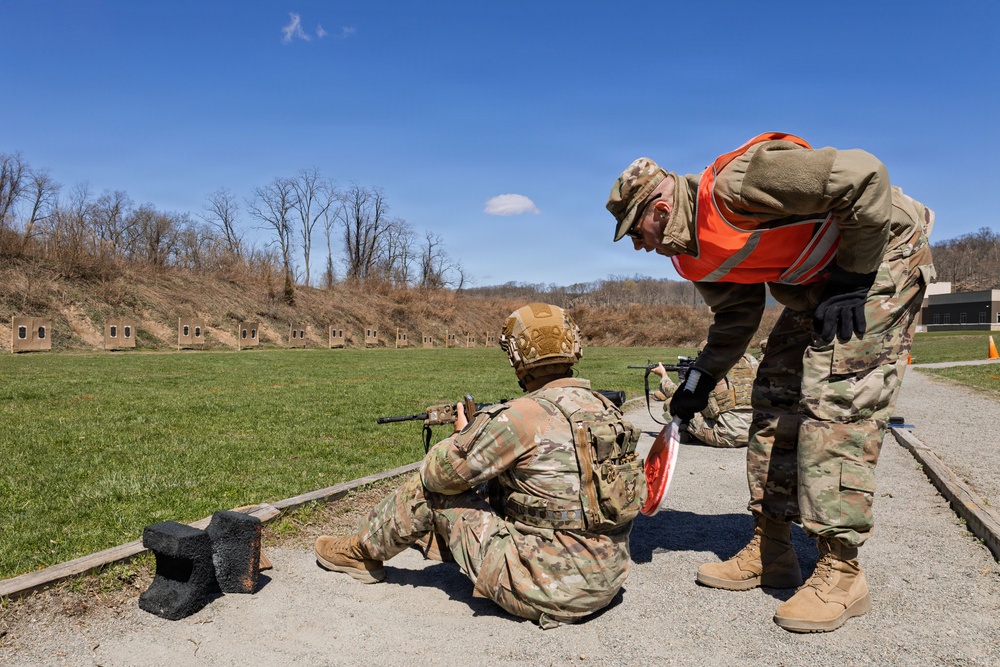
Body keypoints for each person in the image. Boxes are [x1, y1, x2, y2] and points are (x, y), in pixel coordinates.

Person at [607, 132, 935, 633]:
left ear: (662, 203)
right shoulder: (691, 255)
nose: (639, 244)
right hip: (819, 284)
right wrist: (699, 381)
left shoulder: (741, 184)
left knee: (835, 398)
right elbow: (736, 320)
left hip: (879, 255)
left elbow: (866, 175)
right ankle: (773, 546)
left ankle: (843, 573)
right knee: (773, 394)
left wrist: (852, 277)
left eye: (638, 229)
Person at [314, 303, 646, 629]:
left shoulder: (521, 416)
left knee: (430, 494)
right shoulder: (605, 409)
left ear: (518, 357)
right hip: (608, 578)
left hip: (548, 588)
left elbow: (438, 474)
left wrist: (461, 435)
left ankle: (359, 551)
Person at [651, 340, 758, 448]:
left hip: (726, 436)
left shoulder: (708, 370)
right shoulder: (749, 361)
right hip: (754, 433)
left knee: (671, 403)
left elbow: (678, 393)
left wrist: (663, 375)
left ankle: (685, 433)